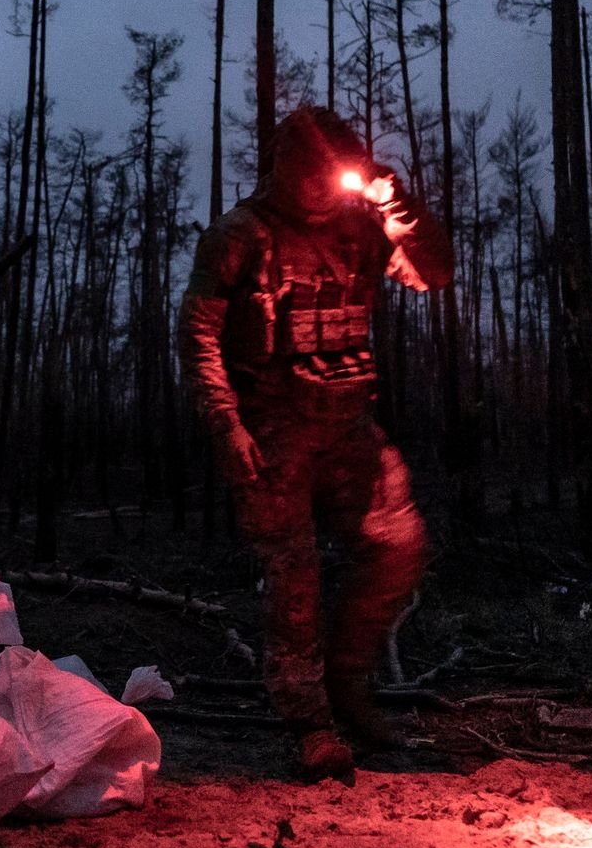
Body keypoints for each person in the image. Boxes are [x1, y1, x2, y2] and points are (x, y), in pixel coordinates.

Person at [179, 106, 454, 782]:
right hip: (273, 429)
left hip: (349, 422)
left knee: (399, 544)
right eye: (308, 174)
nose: (319, 189)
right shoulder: (240, 236)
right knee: (293, 573)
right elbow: (199, 333)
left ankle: (348, 683)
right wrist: (227, 423)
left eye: (330, 176)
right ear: (282, 168)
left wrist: (400, 205)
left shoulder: (363, 225)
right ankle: (310, 723)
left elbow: (434, 273)